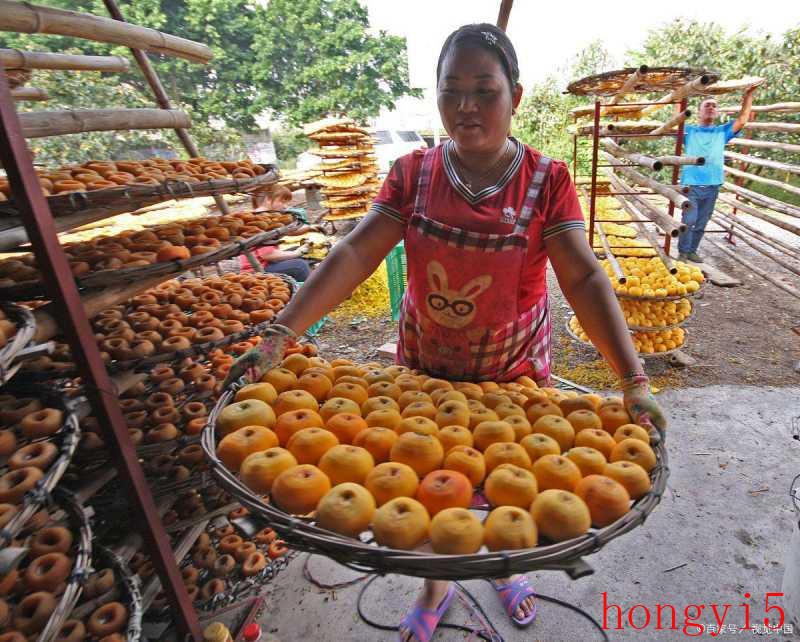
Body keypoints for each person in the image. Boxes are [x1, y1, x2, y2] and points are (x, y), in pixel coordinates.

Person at [226, 24, 666, 642]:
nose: (466, 106)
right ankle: (437, 586)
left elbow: (584, 278)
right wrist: (280, 332)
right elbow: (355, 254)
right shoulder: (414, 174)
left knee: (507, 475)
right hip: (426, 371)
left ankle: (506, 563)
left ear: (516, 94)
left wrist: (632, 377)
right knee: (433, 479)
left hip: (511, 371)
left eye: (484, 90)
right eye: (450, 90)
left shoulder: (547, 180)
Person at [677, 84, 760, 262]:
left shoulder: (722, 131)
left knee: (701, 223)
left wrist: (748, 96)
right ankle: (683, 252)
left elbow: (743, 119)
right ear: (699, 112)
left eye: (714, 106)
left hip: (713, 185)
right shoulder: (688, 131)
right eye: (707, 105)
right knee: (689, 220)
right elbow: (674, 120)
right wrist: (681, 93)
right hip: (691, 184)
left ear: (716, 112)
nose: (711, 108)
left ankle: (692, 251)